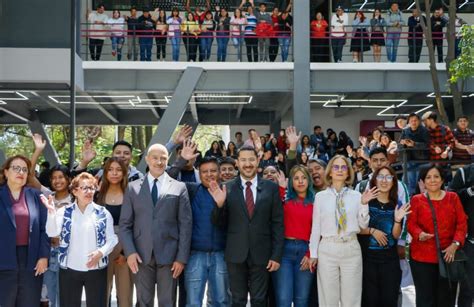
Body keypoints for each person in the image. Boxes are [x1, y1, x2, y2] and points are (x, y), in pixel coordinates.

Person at [119, 143, 192, 306]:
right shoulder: (132, 188)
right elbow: (125, 225)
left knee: (168, 301)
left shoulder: (179, 187)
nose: (159, 162)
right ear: (147, 160)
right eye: (155, 158)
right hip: (140, 255)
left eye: (163, 158)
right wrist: (130, 252)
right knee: (143, 301)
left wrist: (181, 258)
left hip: (170, 256)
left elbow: (186, 226)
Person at [211, 146, 284, 306]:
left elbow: (278, 223)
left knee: (260, 300)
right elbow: (218, 224)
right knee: (237, 300)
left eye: (251, 159)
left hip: (263, 255)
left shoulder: (271, 188)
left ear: (258, 161)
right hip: (236, 254)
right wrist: (219, 205)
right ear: (237, 163)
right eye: (243, 160)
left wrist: (276, 255)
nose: (248, 164)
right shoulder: (226, 187)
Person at [43, 172, 118, 307]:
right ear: (75, 191)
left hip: (97, 269)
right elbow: (52, 232)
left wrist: (101, 252)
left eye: (92, 188)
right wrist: (51, 213)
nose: (89, 191)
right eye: (84, 188)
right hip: (69, 269)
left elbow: (112, 239)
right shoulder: (64, 212)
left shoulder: (103, 213)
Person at [309, 155, 372, 306]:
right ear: (330, 172)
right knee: (328, 298)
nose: (339, 170)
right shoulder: (320, 197)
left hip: (350, 247)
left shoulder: (357, 196)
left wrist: (364, 204)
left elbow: (363, 225)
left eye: (343, 167)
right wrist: (313, 254)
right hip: (328, 248)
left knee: (351, 298)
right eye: (336, 167)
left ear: (348, 172)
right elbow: (316, 228)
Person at [407, 164, 467, 307]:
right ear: (423, 181)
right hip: (422, 258)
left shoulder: (453, 198)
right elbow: (410, 223)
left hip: (448, 257)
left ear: (442, 180)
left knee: (446, 299)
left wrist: (455, 244)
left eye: (436, 176)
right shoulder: (416, 200)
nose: (432, 180)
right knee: (425, 299)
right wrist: (419, 233)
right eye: (428, 177)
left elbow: (462, 224)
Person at [0, 155, 50, 307]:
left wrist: (43, 256)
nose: (20, 172)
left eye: (24, 169)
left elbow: (44, 228)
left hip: (31, 259)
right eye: (16, 168)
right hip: (3, 258)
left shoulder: (35, 196)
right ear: (6, 172)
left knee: (29, 301)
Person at [359, 166, 411, 307]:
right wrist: (372, 231)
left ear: (393, 182)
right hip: (368, 260)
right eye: (380, 177)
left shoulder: (396, 205)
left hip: (389, 261)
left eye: (388, 177)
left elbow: (395, 235)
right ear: (374, 180)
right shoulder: (366, 201)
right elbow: (356, 228)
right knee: (369, 300)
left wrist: (398, 220)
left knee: (389, 300)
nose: (384, 180)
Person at [272, 165, 316, 307]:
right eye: (296, 178)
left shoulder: (316, 202)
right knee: (284, 299)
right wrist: (281, 188)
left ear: (309, 181)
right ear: (291, 182)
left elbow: (318, 231)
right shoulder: (285, 199)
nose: (300, 181)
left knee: (301, 300)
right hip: (284, 252)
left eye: (304, 178)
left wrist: (310, 254)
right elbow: (273, 214)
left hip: (306, 251)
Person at [95, 158, 133, 306]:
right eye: (110, 169)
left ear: (124, 173)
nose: (114, 173)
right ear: (105, 173)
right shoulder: (98, 195)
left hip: (125, 246)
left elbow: (136, 225)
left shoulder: (131, 194)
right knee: (102, 293)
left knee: (125, 295)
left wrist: (126, 252)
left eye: (118, 170)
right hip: (103, 248)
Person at [41, 165, 73, 307]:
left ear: (68, 179)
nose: (57, 181)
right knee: (51, 292)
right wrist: (38, 151)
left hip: (68, 253)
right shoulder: (48, 198)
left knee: (65, 292)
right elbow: (30, 177)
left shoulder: (75, 200)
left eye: (60, 177)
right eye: (54, 178)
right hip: (48, 251)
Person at [450, 163, 474, 307]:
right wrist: (470, 191)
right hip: (469, 241)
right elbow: (451, 198)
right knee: (467, 289)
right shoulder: (465, 173)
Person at [399, 113, 430, 195]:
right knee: (410, 182)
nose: (413, 122)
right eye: (411, 121)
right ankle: (411, 198)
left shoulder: (425, 131)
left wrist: (414, 144)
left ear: (419, 121)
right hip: (408, 159)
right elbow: (400, 144)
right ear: (408, 122)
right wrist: (403, 143)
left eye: (415, 120)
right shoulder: (405, 131)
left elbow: (427, 145)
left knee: (418, 182)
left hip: (422, 160)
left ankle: (418, 197)